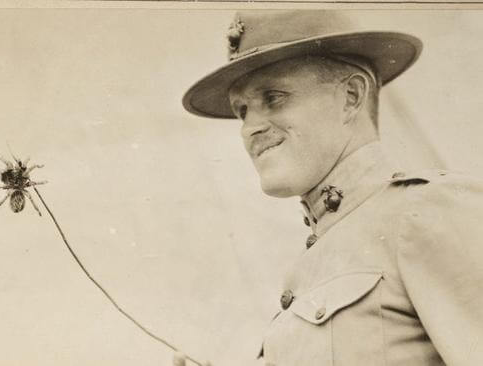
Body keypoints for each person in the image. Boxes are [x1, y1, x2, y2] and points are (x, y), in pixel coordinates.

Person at [175, 10, 483, 366]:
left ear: (351, 96)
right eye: (243, 111)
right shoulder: (317, 259)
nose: (250, 128)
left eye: (274, 98)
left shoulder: (429, 209)